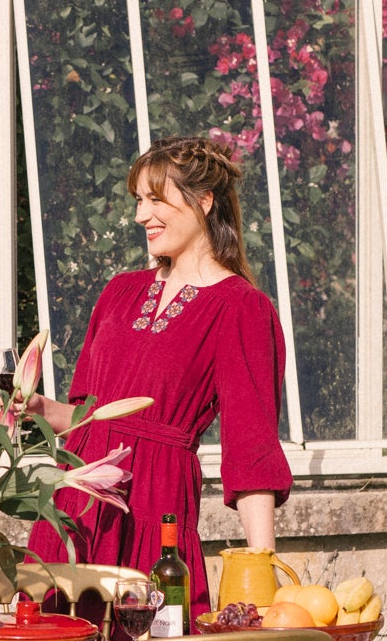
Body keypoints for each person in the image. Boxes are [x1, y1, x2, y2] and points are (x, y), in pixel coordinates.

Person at [25, 134, 291, 613]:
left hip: (155, 506)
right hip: (75, 507)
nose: (140, 216)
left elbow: (252, 449)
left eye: (155, 199)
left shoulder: (240, 308)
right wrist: (38, 408)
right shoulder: (120, 291)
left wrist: (261, 570)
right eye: (138, 201)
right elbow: (89, 417)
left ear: (204, 201)